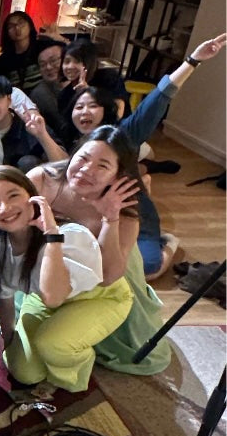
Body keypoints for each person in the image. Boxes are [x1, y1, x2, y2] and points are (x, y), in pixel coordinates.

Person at [64, 34, 226, 280]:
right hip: (91, 215)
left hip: (131, 215)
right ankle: (144, 183)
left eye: (93, 105)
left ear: (107, 112)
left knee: (143, 269)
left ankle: (168, 243)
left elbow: (157, 99)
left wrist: (193, 60)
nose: (84, 111)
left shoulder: (122, 136)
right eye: (79, 107)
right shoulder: (71, 141)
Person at [27, 126, 170, 375]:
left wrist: (109, 218)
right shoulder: (43, 179)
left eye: (102, 166)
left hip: (104, 275)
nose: (86, 170)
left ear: (117, 176)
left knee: (133, 346)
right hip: (52, 269)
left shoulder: (125, 208)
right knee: (26, 368)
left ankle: (167, 246)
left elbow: (109, 276)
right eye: (82, 158)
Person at [0, 165, 132, 392]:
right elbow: (4, 296)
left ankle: (76, 367)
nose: (5, 208)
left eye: (13, 196)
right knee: (24, 371)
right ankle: (59, 348)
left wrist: (51, 235)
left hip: (100, 297)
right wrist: (9, 337)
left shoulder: (68, 234)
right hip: (43, 301)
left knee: (52, 344)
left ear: (32, 197)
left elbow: (54, 297)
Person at [0, 75, 65, 179]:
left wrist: (42, 135)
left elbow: (63, 165)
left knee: (27, 162)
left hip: (29, 186)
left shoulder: (30, 125)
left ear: (9, 100)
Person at [58, 40, 128, 120]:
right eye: (66, 62)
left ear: (89, 63)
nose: (70, 66)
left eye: (77, 61)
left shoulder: (108, 77)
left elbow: (117, 115)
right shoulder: (64, 96)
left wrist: (90, 94)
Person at [0, 11, 43, 90]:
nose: (17, 28)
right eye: (11, 26)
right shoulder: (2, 62)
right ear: (7, 32)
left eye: (21, 23)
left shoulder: (42, 48)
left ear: (30, 25)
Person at [28, 40, 66, 133]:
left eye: (53, 61)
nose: (48, 67)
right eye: (43, 64)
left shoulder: (79, 83)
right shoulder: (40, 94)